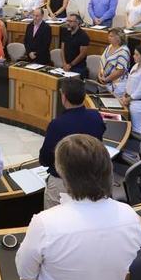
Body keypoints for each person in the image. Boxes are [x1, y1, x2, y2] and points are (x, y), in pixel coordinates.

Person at [18, 134, 141, 280]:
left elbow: (26, 274)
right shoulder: (129, 215)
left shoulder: (45, 223)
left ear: (63, 174)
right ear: (108, 169)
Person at [38, 78, 106, 209]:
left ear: (64, 97)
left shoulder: (57, 124)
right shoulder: (95, 116)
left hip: (63, 182)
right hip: (91, 177)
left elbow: (45, 159)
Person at [98, 28, 131, 96]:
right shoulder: (109, 47)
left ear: (118, 38)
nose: (108, 37)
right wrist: (100, 74)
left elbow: (120, 70)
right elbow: (102, 62)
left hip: (117, 85)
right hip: (104, 81)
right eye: (109, 35)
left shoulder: (124, 51)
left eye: (111, 36)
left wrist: (106, 79)